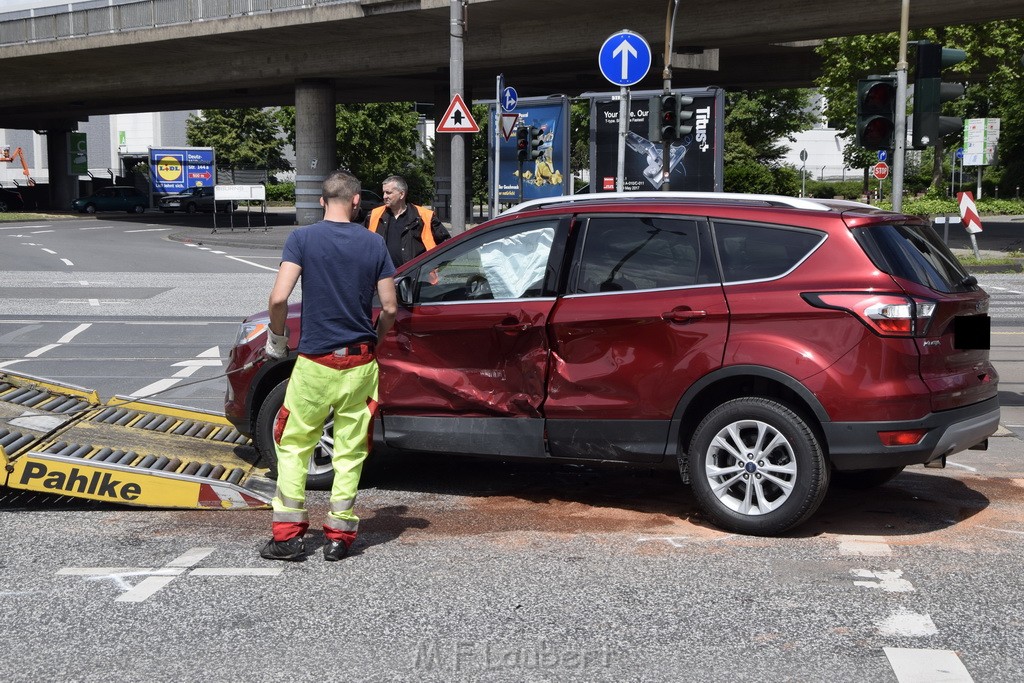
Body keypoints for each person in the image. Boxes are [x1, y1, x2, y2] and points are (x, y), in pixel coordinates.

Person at [260, 169, 398, 562]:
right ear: (357, 202)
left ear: (322, 201)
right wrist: (376, 341)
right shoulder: (373, 243)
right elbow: (389, 307)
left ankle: (287, 537)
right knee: (351, 450)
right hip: (359, 365)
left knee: (294, 444)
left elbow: (278, 299)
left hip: (314, 364)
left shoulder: (302, 238)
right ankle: (339, 535)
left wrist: (278, 339)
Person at [365, 174, 451, 267]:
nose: (384, 196)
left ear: (401, 194)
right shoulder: (374, 215)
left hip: (417, 278)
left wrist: (435, 267)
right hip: (382, 277)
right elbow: (361, 244)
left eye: (388, 192)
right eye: (384, 192)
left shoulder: (424, 216)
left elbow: (447, 246)